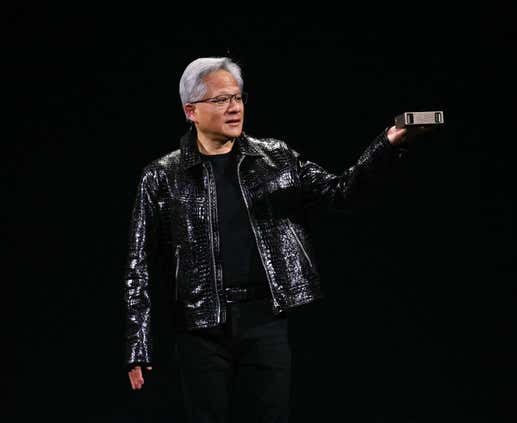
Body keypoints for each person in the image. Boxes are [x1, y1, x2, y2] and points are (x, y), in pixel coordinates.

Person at [123, 56, 428, 422]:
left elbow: (341, 192)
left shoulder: (276, 158)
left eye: (237, 98)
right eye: (221, 100)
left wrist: (388, 144)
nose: (234, 108)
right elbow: (138, 264)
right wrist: (138, 344)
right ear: (191, 111)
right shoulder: (162, 176)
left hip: (264, 320)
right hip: (199, 327)